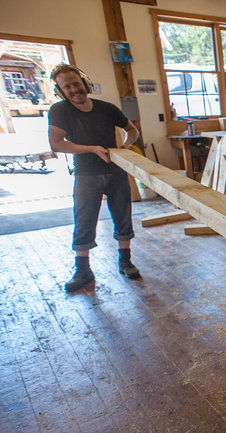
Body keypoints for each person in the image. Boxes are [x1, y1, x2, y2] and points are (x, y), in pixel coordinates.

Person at [48, 63, 141, 292]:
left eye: (76, 84)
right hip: (86, 174)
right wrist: (92, 149)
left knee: (122, 215)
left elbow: (133, 130)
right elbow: (56, 144)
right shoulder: (60, 111)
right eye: (67, 87)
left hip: (115, 171)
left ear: (85, 84)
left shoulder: (107, 108)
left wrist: (126, 146)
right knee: (84, 219)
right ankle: (83, 270)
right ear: (61, 91)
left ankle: (125, 260)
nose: (74, 89)